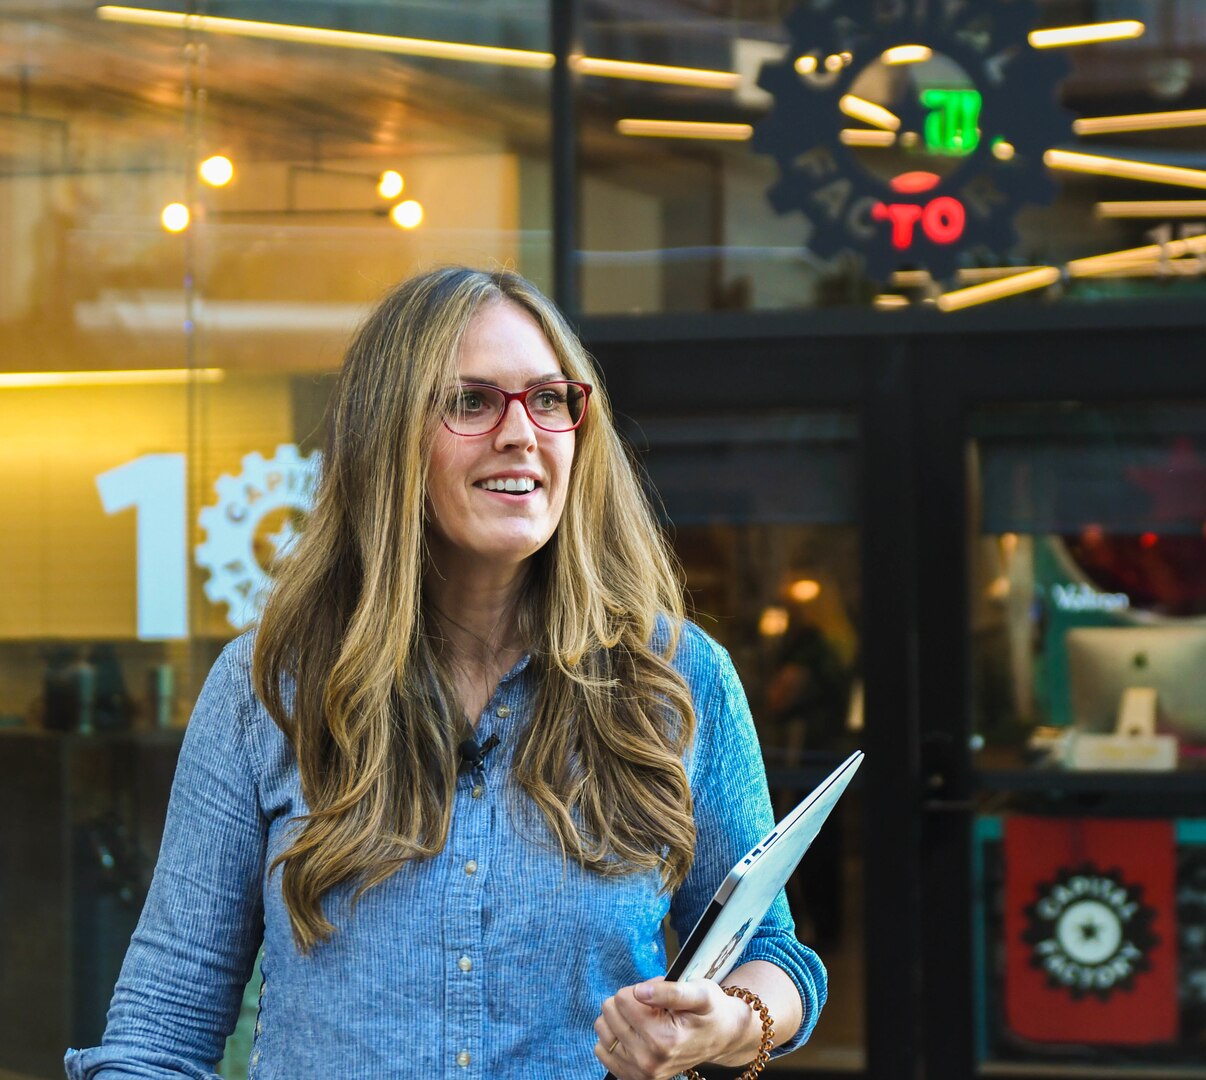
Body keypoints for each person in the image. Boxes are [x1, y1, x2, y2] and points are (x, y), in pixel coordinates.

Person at [64, 267, 826, 1079]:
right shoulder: (268, 688)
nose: (521, 432)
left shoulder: (676, 676)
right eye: (471, 401)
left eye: (548, 399)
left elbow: (773, 954)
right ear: (386, 436)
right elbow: (162, 1022)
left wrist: (730, 1022)